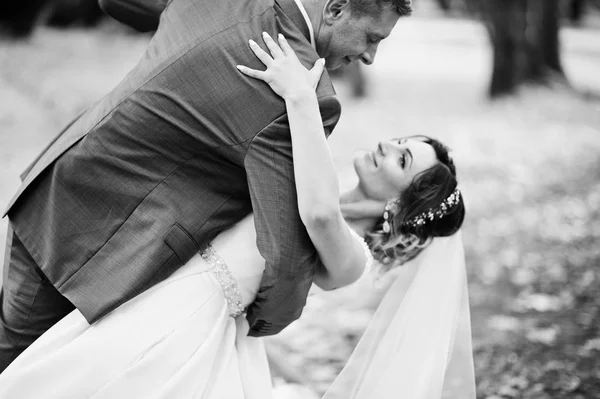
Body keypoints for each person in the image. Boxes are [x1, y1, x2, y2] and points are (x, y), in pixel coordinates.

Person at [0, 33, 474, 398]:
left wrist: (302, 99)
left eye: (403, 160)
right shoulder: (313, 175)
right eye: (402, 141)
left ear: (402, 204)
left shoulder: (350, 260)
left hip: (184, 328)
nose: (389, 145)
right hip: (151, 280)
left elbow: (319, 214)